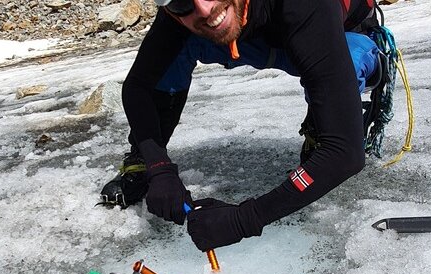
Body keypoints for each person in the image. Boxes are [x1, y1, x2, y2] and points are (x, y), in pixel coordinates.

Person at [100, 0, 387, 251]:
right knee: (182, 41)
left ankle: (323, 123)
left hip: (334, 36)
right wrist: (157, 165)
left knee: (348, 62)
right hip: (257, 34)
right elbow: (139, 86)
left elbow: (344, 153)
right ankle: (138, 160)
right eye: (183, 2)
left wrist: (245, 219)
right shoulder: (182, 10)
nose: (203, 7)